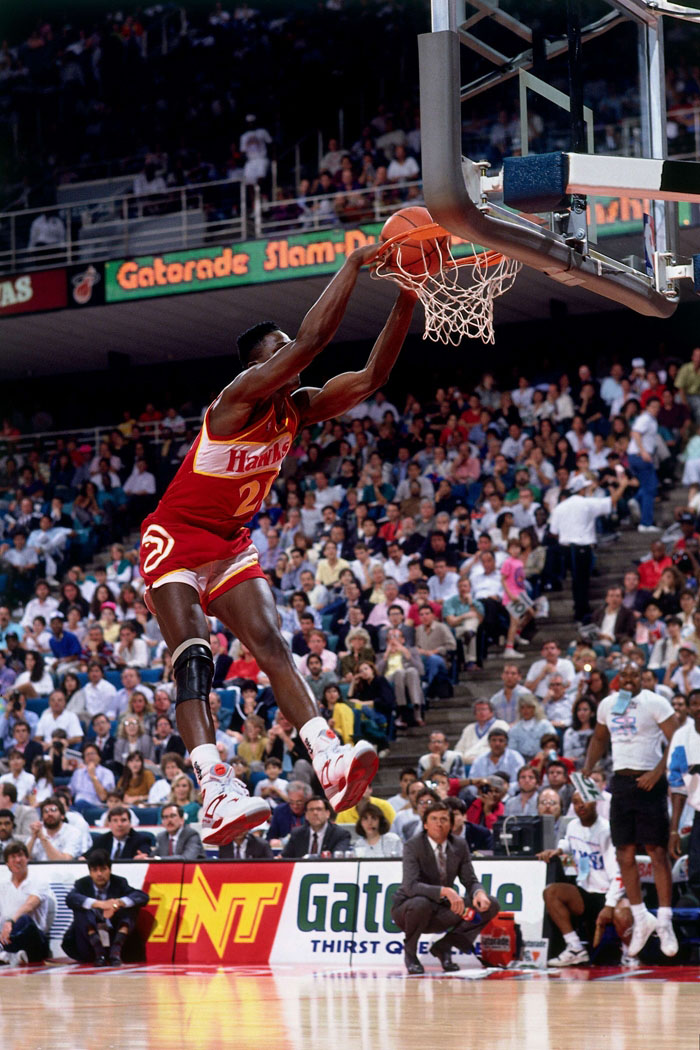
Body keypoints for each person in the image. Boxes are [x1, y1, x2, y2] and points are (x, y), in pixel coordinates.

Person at [138, 243, 416, 845]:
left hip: (231, 542)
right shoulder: (236, 402)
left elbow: (372, 377)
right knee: (194, 656)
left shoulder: (296, 410)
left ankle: (328, 758)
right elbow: (312, 344)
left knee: (271, 643)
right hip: (177, 539)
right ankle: (214, 787)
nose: (295, 359)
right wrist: (353, 266)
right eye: (281, 351)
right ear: (261, 365)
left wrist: (407, 295)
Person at [583, 662, 679, 958]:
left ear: (643, 678)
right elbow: (599, 738)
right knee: (624, 853)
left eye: (634, 675)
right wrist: (587, 769)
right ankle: (641, 918)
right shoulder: (608, 704)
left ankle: (664, 920)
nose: (628, 679)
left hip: (649, 782)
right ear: (617, 679)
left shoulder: (656, 702)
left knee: (656, 851)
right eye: (623, 675)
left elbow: (677, 740)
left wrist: (658, 772)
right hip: (621, 783)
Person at [391, 800, 499, 974]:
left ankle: (445, 946)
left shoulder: (459, 845)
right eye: (433, 819)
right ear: (425, 824)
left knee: (490, 904)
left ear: (451, 824)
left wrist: (479, 893)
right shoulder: (413, 845)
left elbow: (470, 880)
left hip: (442, 908)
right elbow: (410, 886)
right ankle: (410, 953)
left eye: (443, 819)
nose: (439, 824)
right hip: (408, 909)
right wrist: (444, 890)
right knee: (421, 903)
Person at [537, 792, 631, 966]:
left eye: (584, 802)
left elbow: (619, 875)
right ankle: (575, 948)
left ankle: (630, 954)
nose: (580, 806)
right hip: (585, 893)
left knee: (622, 913)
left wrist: (609, 906)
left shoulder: (607, 831)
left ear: (595, 803)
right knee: (551, 892)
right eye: (575, 802)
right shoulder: (572, 825)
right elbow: (568, 841)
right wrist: (558, 850)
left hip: (610, 894)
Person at [548, 473, 628, 623]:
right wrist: (623, 485)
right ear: (581, 489)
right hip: (582, 547)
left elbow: (553, 532)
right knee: (582, 581)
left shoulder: (560, 507)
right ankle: (581, 612)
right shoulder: (587, 503)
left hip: (565, 548)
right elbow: (611, 501)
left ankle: (579, 609)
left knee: (576, 581)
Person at [62, 849, 150, 965]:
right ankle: (99, 953)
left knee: (130, 907)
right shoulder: (82, 884)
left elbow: (142, 897)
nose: (99, 874)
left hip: (115, 937)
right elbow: (70, 898)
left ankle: (115, 951)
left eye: (103, 869)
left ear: (109, 870)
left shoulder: (119, 882)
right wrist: (100, 904)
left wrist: (117, 903)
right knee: (82, 909)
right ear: (90, 872)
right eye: (95, 870)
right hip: (89, 943)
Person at [668, 687, 700, 901]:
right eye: (694, 704)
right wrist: (674, 831)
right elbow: (677, 786)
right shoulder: (682, 736)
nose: (699, 708)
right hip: (699, 813)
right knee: (697, 874)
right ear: (688, 708)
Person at [0, 842, 54, 966]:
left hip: (35, 940)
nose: (18, 860)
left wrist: (10, 922)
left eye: (21, 856)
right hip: (6, 938)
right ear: (7, 863)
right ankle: (10, 952)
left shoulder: (40, 881)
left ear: (27, 858)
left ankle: (6, 951)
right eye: (13, 857)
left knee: (24, 919)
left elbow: (30, 905)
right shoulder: (2, 885)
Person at [281, 796, 352, 858]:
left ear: (327, 813)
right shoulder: (297, 834)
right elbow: (285, 857)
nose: (315, 813)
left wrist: (310, 857)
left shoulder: (340, 834)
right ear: (306, 815)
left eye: (319, 809)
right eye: (311, 810)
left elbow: (337, 857)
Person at [26, 796, 84, 861]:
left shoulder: (73, 833)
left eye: (53, 810)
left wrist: (43, 838)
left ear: (62, 816)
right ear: (42, 817)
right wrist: (33, 838)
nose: (49, 814)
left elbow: (64, 861)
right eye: (46, 811)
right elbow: (24, 858)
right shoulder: (38, 830)